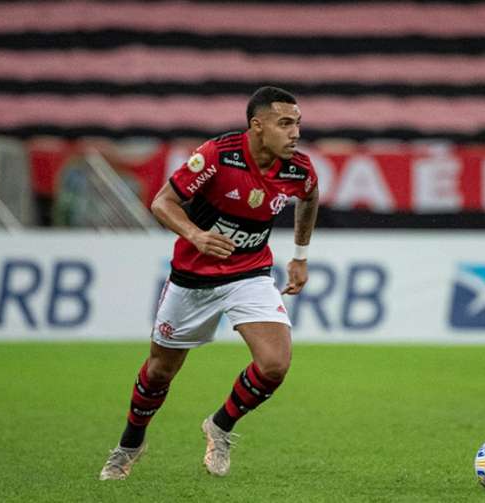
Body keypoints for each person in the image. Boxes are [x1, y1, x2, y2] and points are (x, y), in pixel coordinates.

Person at [99, 86, 320, 480]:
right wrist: (196, 236)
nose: (295, 133)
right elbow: (162, 202)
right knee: (159, 372)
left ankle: (220, 426)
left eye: (298, 124)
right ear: (257, 125)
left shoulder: (298, 169)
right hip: (192, 278)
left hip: (249, 273)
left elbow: (310, 195)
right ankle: (130, 444)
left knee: (274, 365)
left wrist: (300, 256)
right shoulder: (218, 156)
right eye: (285, 123)